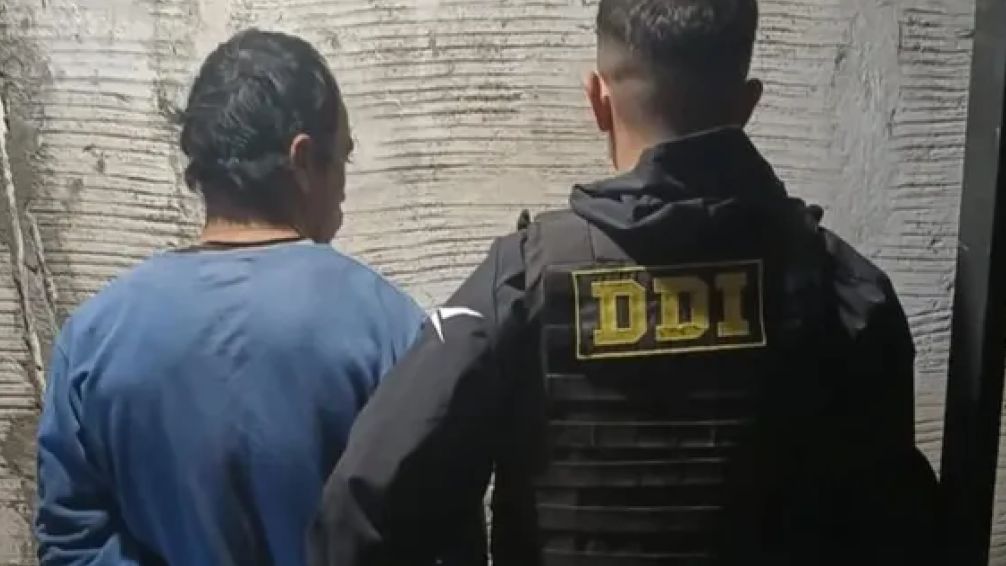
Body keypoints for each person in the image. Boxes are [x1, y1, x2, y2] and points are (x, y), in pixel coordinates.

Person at [308, 1, 941, 565]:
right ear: (747, 104)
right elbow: (899, 533)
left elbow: (363, 509)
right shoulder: (842, 287)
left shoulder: (521, 283)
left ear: (597, 99)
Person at [34, 29, 429, 566]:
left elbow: (72, 544)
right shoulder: (390, 327)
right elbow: (435, 533)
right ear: (302, 159)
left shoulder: (93, 337)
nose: (342, 188)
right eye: (344, 159)